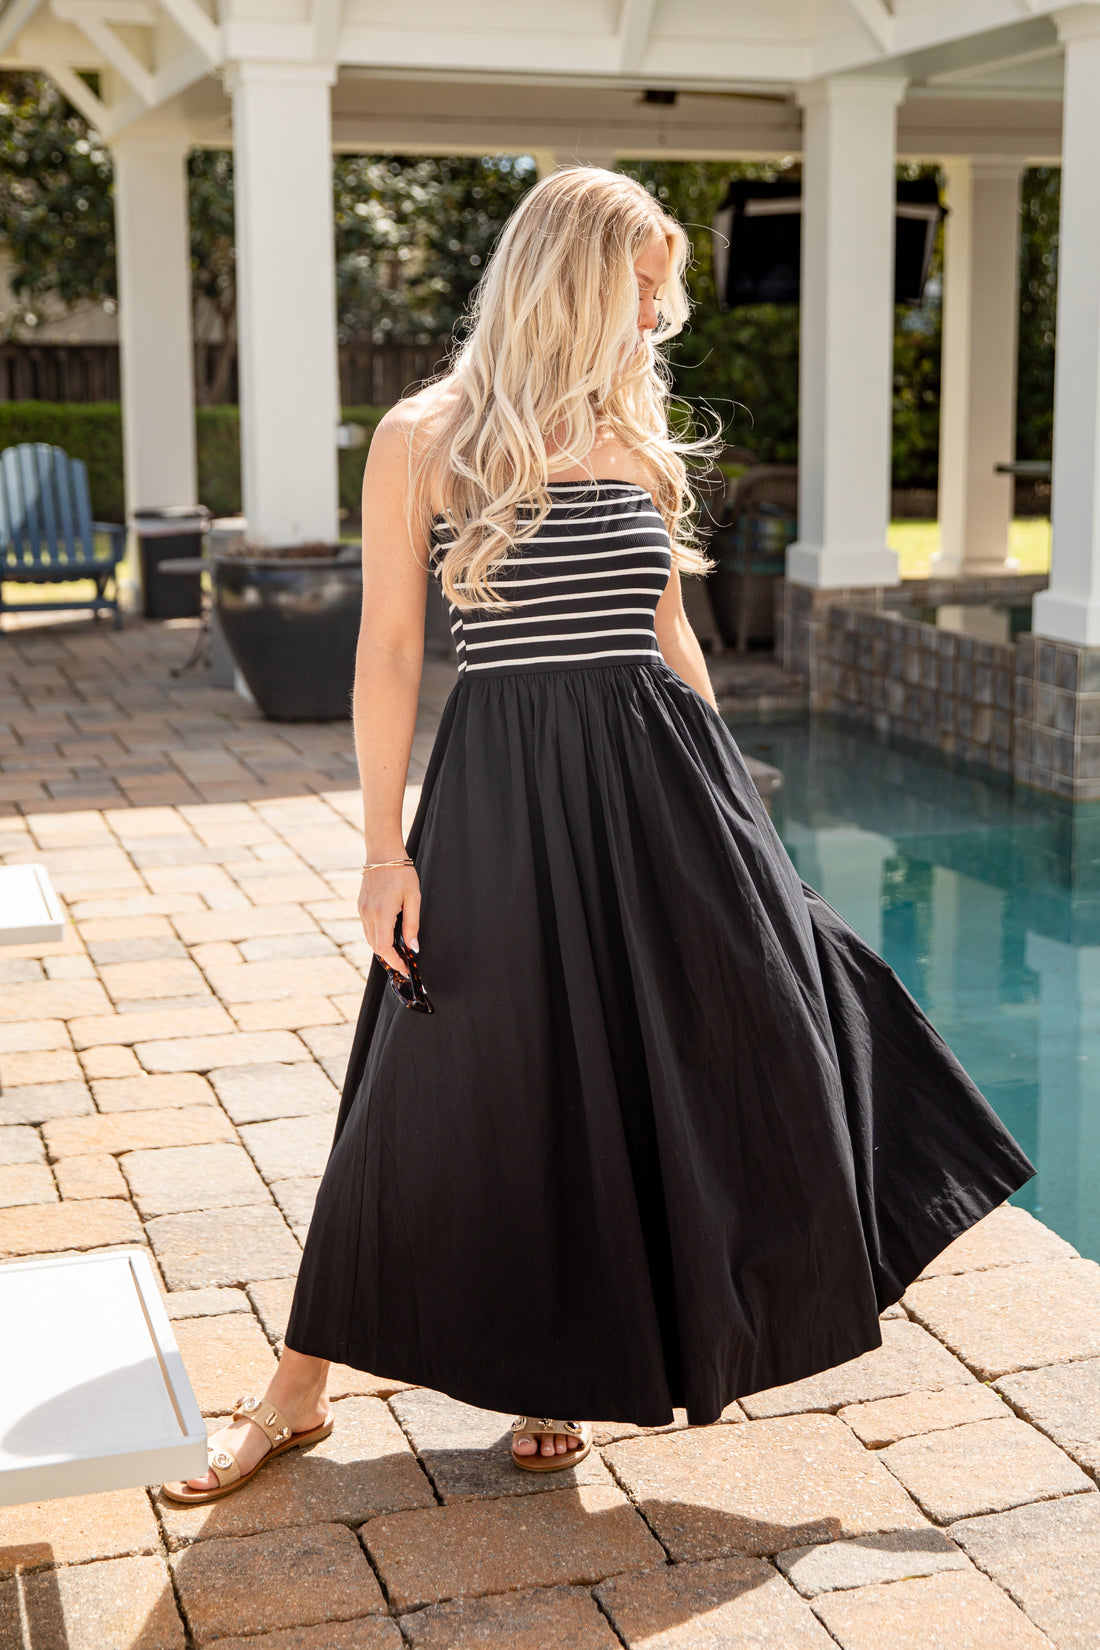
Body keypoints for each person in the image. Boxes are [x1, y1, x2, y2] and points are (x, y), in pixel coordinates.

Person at [163, 166, 1033, 1503]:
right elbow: (391, 651)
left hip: (662, 789)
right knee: (428, 1071)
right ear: (568, 276)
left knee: (699, 1042)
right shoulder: (426, 435)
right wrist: (383, 850)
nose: (654, 312)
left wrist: (739, 794)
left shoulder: (631, 430)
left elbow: (668, 628)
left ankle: (562, 1365)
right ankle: (298, 1385)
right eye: (637, 287)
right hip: (503, 791)